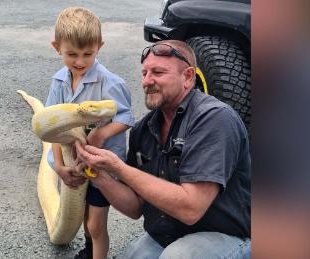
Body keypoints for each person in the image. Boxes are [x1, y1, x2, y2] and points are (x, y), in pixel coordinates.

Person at [75, 40, 251, 258]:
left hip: (226, 237)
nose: (147, 81)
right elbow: (135, 208)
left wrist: (119, 168)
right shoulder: (144, 129)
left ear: (187, 77)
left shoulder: (214, 119)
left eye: (158, 72)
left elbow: (190, 208)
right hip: (168, 236)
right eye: (144, 73)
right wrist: (99, 175)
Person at [45, 7, 135, 259]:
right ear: (56, 47)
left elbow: (127, 116)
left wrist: (102, 133)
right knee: (84, 218)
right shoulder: (58, 82)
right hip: (74, 164)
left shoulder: (111, 83)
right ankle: (89, 250)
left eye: (88, 54)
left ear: (100, 46)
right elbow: (54, 129)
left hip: (101, 165)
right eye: (71, 54)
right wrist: (60, 167)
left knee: (96, 224)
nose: (80, 62)